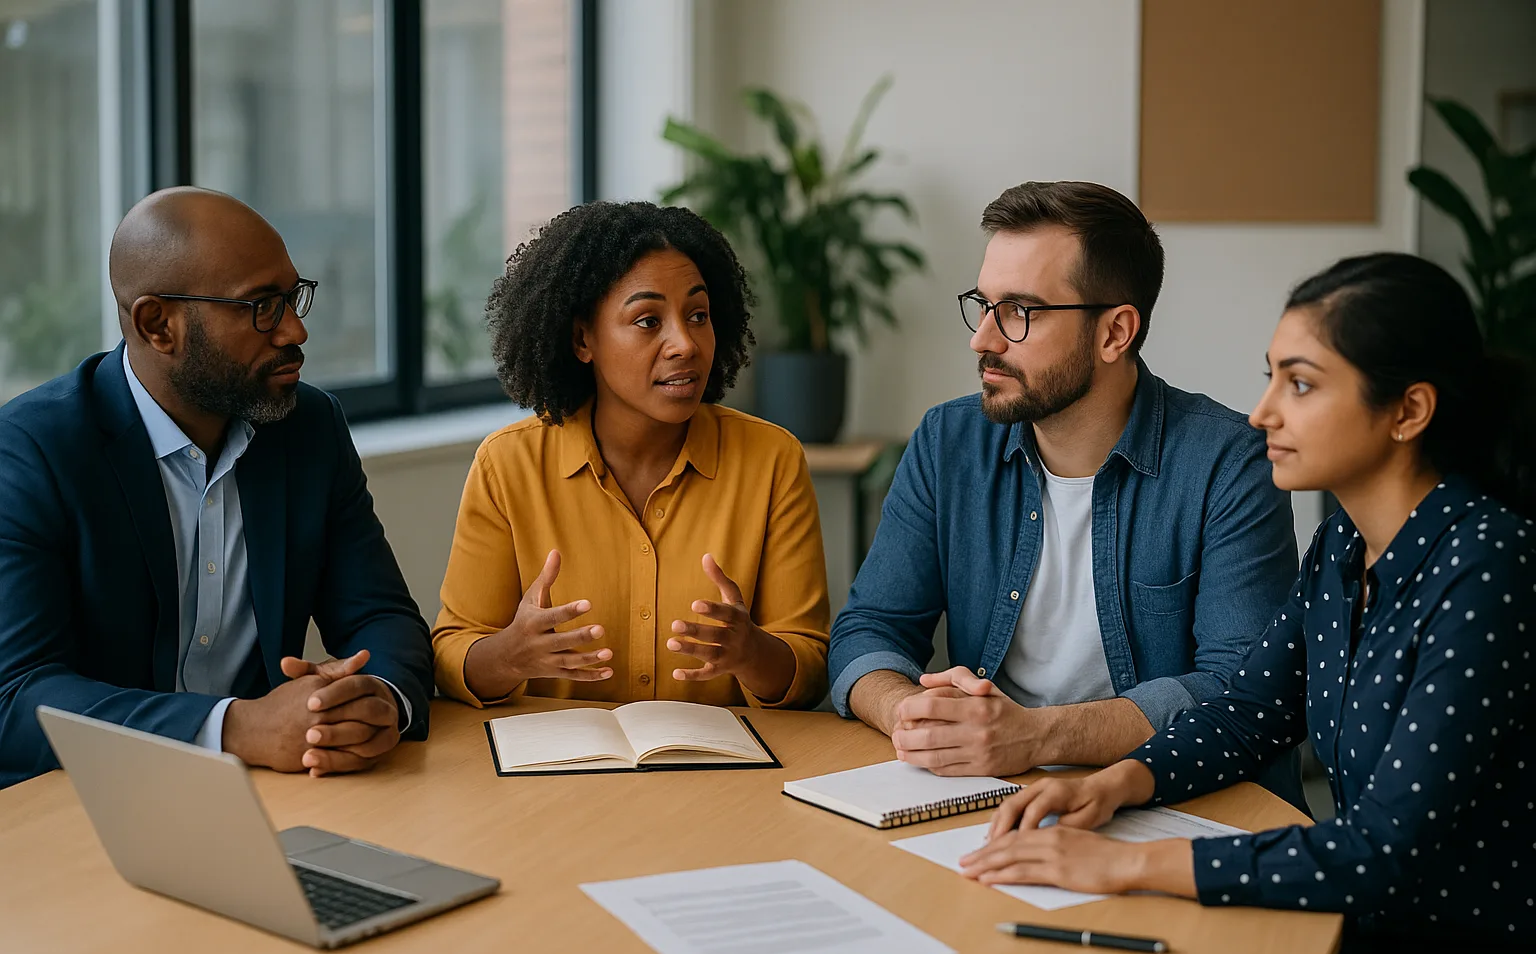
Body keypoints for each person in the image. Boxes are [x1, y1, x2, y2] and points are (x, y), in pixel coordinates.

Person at [960, 253, 1536, 954]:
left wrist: (1125, 867)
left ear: (1408, 412)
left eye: (1299, 384)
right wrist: (1112, 784)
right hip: (1370, 930)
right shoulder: (1341, 547)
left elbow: (1384, 853)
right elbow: (1249, 713)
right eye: (1269, 378)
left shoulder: (1490, 567)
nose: (1263, 412)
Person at [828, 181, 1300, 797]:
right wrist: (907, 714)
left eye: (1020, 312)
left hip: (1176, 794)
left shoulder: (1229, 462)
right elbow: (870, 628)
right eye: (983, 304)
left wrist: (1037, 736)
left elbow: (1240, 689)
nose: (983, 339)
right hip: (990, 790)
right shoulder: (949, 442)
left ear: (1115, 332)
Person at [0, 187, 433, 790]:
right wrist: (234, 728)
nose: (294, 330)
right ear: (158, 325)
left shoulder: (308, 427)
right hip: (87, 804)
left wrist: (378, 700)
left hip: (267, 791)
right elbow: (17, 697)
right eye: (260, 307)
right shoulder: (32, 450)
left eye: (292, 297)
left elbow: (380, 615)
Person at [431, 201, 829, 711]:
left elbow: (809, 665)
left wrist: (753, 652)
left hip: (719, 777)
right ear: (582, 339)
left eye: (698, 315)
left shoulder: (772, 460)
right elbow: (451, 651)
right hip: (554, 775)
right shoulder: (508, 466)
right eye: (647, 320)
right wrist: (510, 655)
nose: (684, 343)